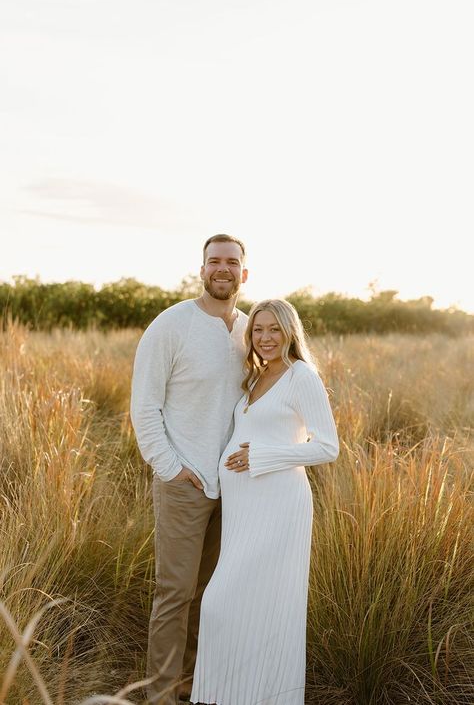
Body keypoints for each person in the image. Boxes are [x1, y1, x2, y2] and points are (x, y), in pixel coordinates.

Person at [190, 299, 339, 705]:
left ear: (290, 332)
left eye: (274, 329)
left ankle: (268, 696)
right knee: (235, 608)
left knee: (238, 604)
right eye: (258, 330)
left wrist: (262, 456)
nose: (266, 337)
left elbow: (328, 447)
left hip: (278, 506)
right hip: (243, 512)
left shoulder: (300, 377)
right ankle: (228, 696)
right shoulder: (255, 377)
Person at [130, 234, 249, 704]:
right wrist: (170, 468)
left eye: (232, 262)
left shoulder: (250, 328)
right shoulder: (171, 325)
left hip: (235, 486)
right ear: (201, 270)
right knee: (175, 592)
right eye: (214, 261)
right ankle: (160, 695)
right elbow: (144, 406)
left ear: (244, 272)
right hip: (185, 482)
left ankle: (190, 686)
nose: (223, 269)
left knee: (210, 594)